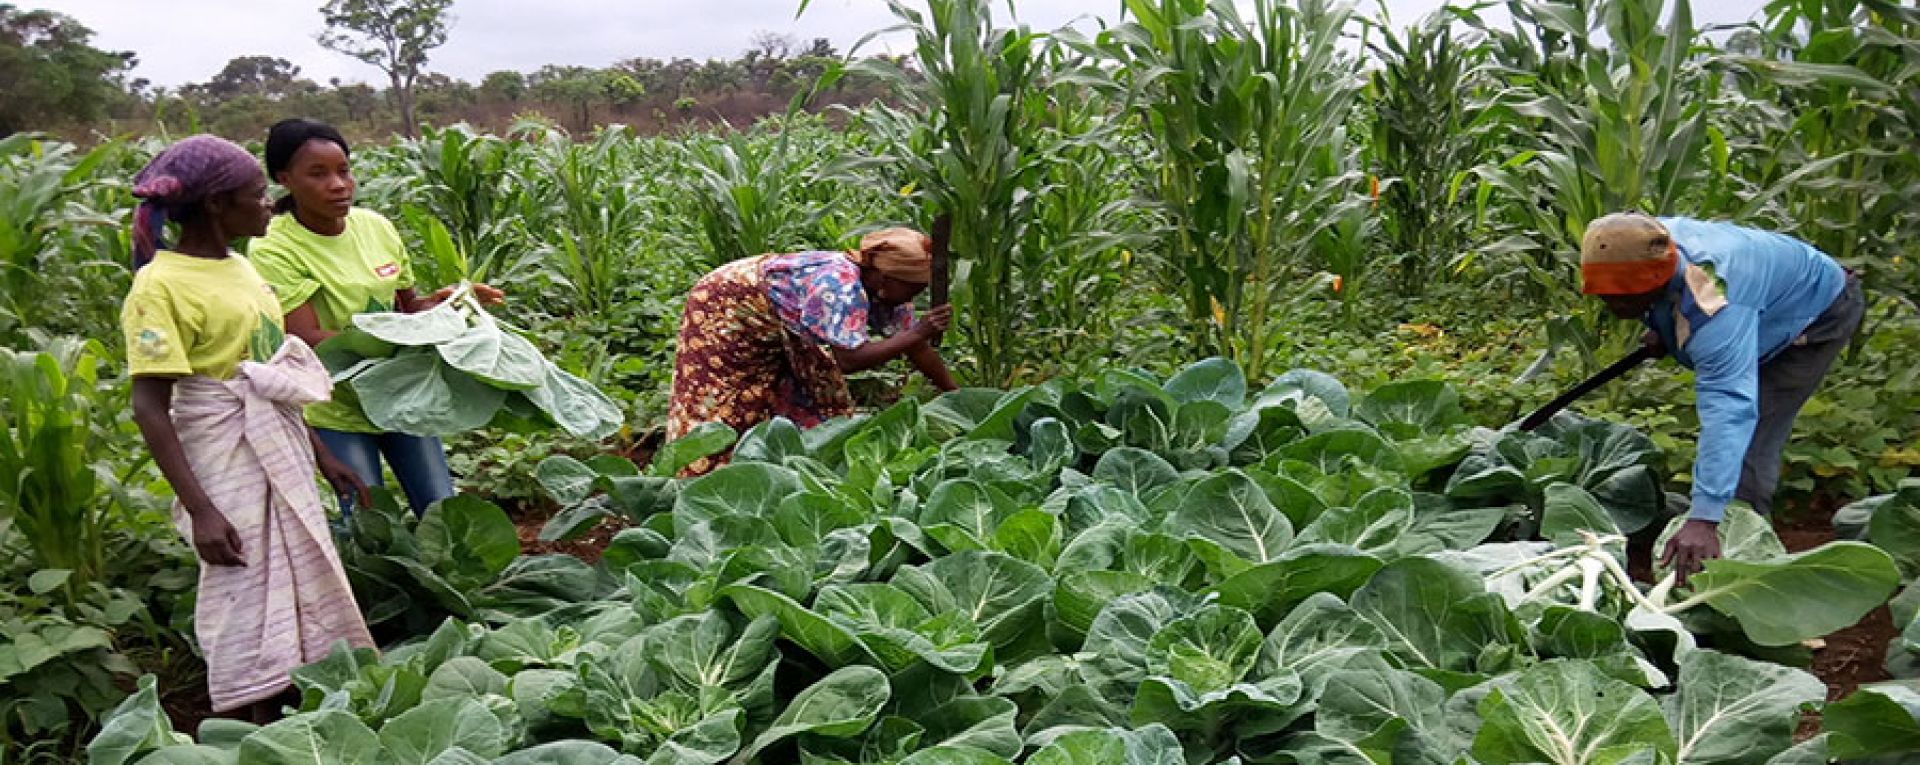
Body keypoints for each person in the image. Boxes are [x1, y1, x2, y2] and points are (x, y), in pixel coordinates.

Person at [122, 135, 376, 723]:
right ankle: (249, 715)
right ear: (216, 205)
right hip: (221, 452)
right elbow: (150, 407)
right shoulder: (159, 286)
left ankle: (295, 702)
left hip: (275, 439)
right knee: (245, 586)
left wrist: (320, 455)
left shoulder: (241, 268)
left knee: (298, 572)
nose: (269, 205)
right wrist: (202, 509)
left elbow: (266, 376)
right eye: (258, 195)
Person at [1579, 212, 1863, 583]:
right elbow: (1664, 295)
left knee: (1754, 430)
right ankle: (1712, 516)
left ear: (1659, 279)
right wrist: (1663, 323)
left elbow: (1730, 405)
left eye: (1626, 299)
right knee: (1735, 427)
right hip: (1764, 296)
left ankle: (1742, 554)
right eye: (1607, 296)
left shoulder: (1719, 297)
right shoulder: (1630, 240)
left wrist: (1704, 516)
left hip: (1817, 313)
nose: (1615, 307)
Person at [249, 118, 502, 520]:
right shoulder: (274, 246)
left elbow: (408, 309)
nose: (339, 184)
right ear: (285, 179)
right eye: (318, 174)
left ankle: (451, 583)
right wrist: (406, 334)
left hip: (402, 394)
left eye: (344, 171)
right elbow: (308, 339)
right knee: (367, 519)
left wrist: (452, 305)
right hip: (335, 404)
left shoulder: (376, 228)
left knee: (442, 507)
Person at [667, 228, 959, 475]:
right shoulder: (840, 287)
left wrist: (955, 397)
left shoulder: (888, 293)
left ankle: (782, 471)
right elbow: (848, 360)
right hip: (725, 305)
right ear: (886, 278)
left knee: (807, 392)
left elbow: (915, 346)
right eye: (914, 287)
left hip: (779, 320)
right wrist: (919, 331)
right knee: (724, 397)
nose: (916, 295)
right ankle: (699, 474)